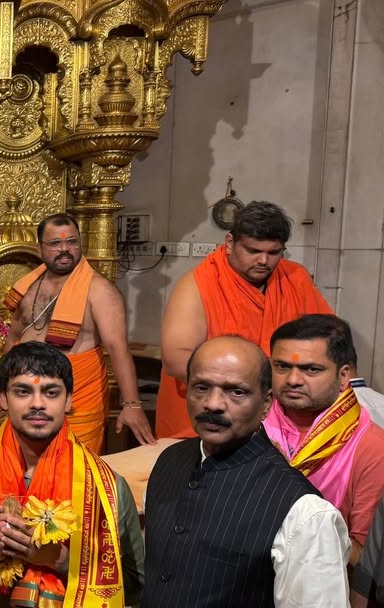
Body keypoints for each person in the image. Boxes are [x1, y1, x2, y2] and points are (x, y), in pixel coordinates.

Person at [0, 341, 145, 607]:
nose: (37, 404)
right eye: (23, 392)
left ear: (69, 401)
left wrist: (61, 560)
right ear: (2, 398)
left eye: (51, 393)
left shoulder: (105, 485)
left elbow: (136, 581)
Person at [144, 335, 350, 606]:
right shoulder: (170, 461)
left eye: (236, 392)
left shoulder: (303, 513)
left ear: (266, 404)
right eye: (201, 387)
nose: (213, 404)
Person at [157, 201, 332, 438]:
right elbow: (176, 359)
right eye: (253, 251)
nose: (263, 261)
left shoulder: (295, 277)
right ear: (230, 243)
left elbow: (329, 340)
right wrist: (245, 390)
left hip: (280, 414)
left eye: (273, 253)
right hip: (209, 416)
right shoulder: (197, 285)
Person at [4, 213, 152, 451]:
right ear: (39, 248)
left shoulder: (100, 291)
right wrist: (4, 389)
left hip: (77, 400)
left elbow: (118, 349)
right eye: (55, 243)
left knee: (76, 475)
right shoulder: (28, 286)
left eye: (72, 242)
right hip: (28, 397)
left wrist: (132, 404)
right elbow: (14, 337)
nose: (65, 249)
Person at [263, 314, 384, 563]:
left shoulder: (372, 446)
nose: (293, 380)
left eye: (311, 369)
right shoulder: (251, 426)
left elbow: (365, 558)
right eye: (282, 366)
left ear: (343, 376)